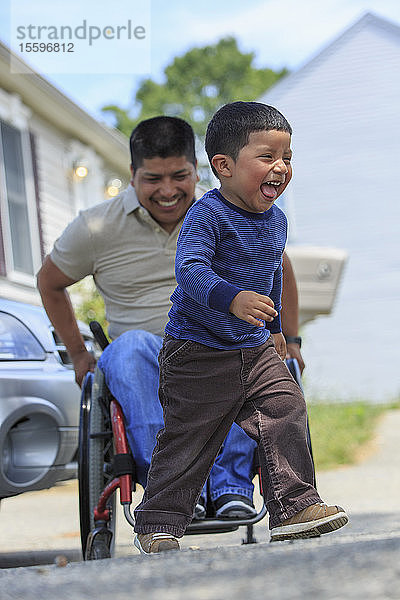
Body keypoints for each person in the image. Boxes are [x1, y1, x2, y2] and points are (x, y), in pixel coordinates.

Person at [37, 116, 304, 520]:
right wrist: (78, 355)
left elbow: (277, 270)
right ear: (131, 176)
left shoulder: (230, 211)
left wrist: (290, 338)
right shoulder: (96, 227)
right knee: (131, 348)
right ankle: (178, 490)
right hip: (141, 353)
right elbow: (49, 282)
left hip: (217, 341)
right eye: (152, 179)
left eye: (179, 176)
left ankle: (230, 486)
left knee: (239, 353)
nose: (167, 191)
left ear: (200, 170)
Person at [133, 102, 348, 555]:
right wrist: (232, 298)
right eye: (267, 157)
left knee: (286, 407)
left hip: (253, 349)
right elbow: (190, 271)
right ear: (223, 166)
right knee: (189, 438)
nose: (281, 168)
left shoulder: (276, 220)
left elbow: (271, 270)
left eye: (287, 157)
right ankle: (158, 523)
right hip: (197, 352)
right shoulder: (207, 215)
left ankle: (292, 509)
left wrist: (275, 329)